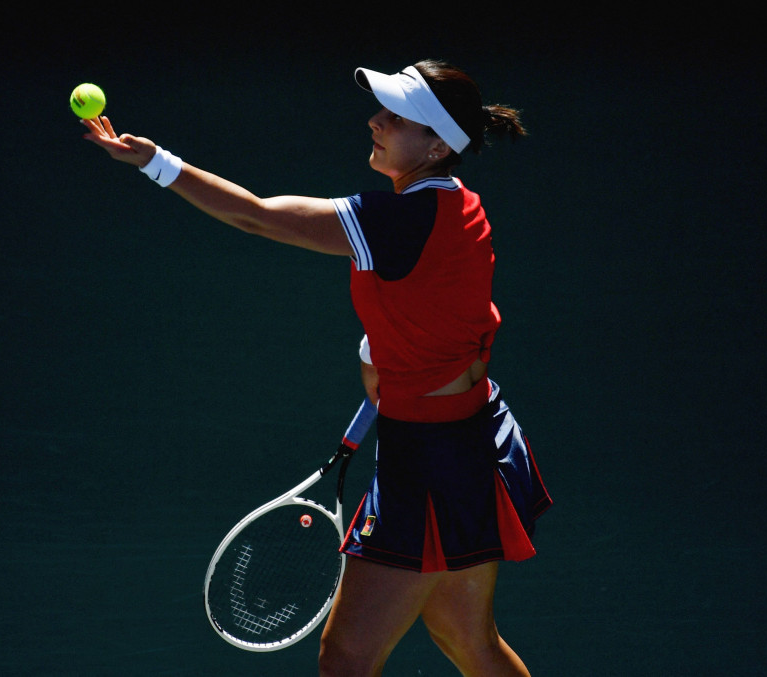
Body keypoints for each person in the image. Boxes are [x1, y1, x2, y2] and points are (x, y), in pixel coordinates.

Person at [80, 59, 551, 677]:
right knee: (470, 640)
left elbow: (257, 214)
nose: (375, 121)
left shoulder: (399, 219)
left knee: (346, 658)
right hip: (470, 433)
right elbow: (463, 315)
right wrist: (383, 355)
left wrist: (154, 161)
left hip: (432, 461)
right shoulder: (461, 206)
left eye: (396, 117)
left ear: (437, 145)